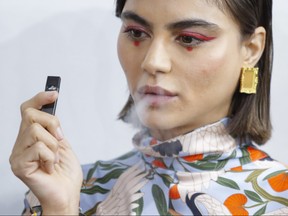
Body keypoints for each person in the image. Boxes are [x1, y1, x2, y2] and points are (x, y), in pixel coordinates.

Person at [10, 0, 288, 215]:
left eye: (189, 38)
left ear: (251, 48)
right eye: (136, 32)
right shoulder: (72, 188)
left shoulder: (279, 197)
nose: (152, 62)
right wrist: (60, 209)